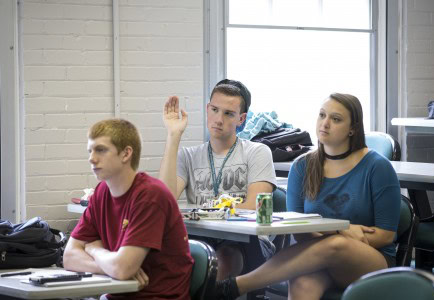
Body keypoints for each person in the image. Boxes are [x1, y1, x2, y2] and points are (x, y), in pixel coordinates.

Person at [216, 93, 401, 300]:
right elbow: (299, 230)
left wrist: (339, 233)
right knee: (302, 282)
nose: (325, 123)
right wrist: (341, 228)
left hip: (371, 261)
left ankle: (236, 286)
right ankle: (233, 287)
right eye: (322, 115)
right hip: (317, 259)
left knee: (337, 246)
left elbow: (385, 235)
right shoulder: (302, 166)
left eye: (336, 119)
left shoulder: (378, 167)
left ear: (353, 129)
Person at [159, 79, 277, 280]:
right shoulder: (188, 156)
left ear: (241, 119)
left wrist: (207, 212)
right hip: (200, 238)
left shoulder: (257, 152)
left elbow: (254, 207)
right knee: (158, 256)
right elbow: (164, 201)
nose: (219, 119)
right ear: (207, 109)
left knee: (221, 260)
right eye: (214, 109)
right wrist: (173, 136)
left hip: (247, 241)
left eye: (228, 113)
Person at [63, 119, 193, 300]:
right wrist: (111, 265)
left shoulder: (150, 196)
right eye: (90, 151)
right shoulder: (101, 192)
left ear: (126, 154)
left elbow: (122, 268)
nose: (91, 158)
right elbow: (69, 257)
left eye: (100, 150)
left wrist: (93, 250)